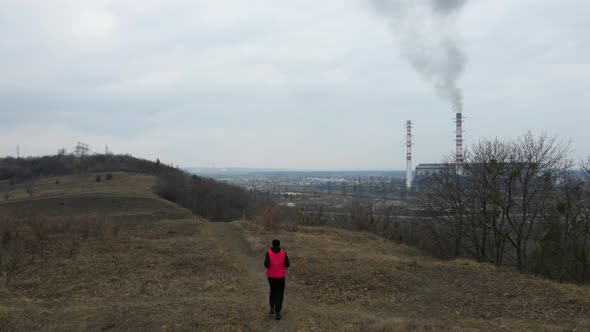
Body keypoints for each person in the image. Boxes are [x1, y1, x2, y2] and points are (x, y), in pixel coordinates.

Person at [264, 239, 290, 320]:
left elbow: (266, 265)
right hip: (280, 277)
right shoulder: (283, 252)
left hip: (271, 276)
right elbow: (287, 264)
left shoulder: (268, 252)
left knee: (273, 291)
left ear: (272, 244)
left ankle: (272, 307)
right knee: (280, 294)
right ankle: (277, 312)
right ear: (279, 244)